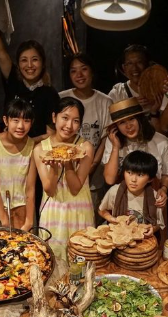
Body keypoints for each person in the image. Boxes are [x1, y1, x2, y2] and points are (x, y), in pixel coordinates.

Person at [33, 97, 95, 259]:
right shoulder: (41, 149)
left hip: (79, 210)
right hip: (54, 211)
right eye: (65, 118)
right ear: (54, 117)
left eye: (76, 121)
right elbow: (49, 190)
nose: (69, 125)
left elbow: (75, 188)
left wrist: (68, 163)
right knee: (53, 260)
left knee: (80, 259)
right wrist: (54, 166)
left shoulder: (85, 147)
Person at [0, 13, 59, 140]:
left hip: (36, 150)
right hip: (8, 147)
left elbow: (51, 134)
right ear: (18, 65)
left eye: (35, 59)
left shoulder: (50, 94)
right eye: (24, 60)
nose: (29, 65)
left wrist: (26, 144)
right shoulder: (14, 80)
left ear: (43, 63)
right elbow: (0, 54)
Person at [60, 52, 113, 214]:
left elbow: (105, 139)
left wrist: (92, 165)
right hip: (63, 177)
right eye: (73, 70)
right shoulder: (62, 98)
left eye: (84, 69)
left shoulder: (105, 102)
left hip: (93, 180)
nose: (79, 75)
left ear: (92, 71)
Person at [102, 99, 168, 200]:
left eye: (132, 119)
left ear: (140, 119)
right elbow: (109, 179)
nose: (128, 126)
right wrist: (115, 147)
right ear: (116, 127)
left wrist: (164, 189)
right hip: (122, 199)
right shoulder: (113, 141)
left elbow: (167, 173)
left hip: (152, 198)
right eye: (122, 122)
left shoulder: (161, 142)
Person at [0, 98, 37, 230]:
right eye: (15, 120)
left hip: (23, 209)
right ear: (6, 120)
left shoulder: (32, 147)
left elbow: (30, 187)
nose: (20, 126)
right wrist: (4, 219)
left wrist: (29, 221)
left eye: (26, 121)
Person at [99, 150, 163, 234]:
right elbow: (102, 210)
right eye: (129, 173)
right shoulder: (115, 191)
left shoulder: (154, 197)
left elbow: (159, 223)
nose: (133, 179)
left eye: (140, 175)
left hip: (143, 239)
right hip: (119, 236)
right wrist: (112, 219)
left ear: (150, 179)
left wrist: (153, 229)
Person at [107, 44, 166, 120]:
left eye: (139, 62)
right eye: (130, 63)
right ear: (124, 68)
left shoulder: (161, 89)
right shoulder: (117, 93)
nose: (134, 68)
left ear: (148, 65)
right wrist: (131, 104)